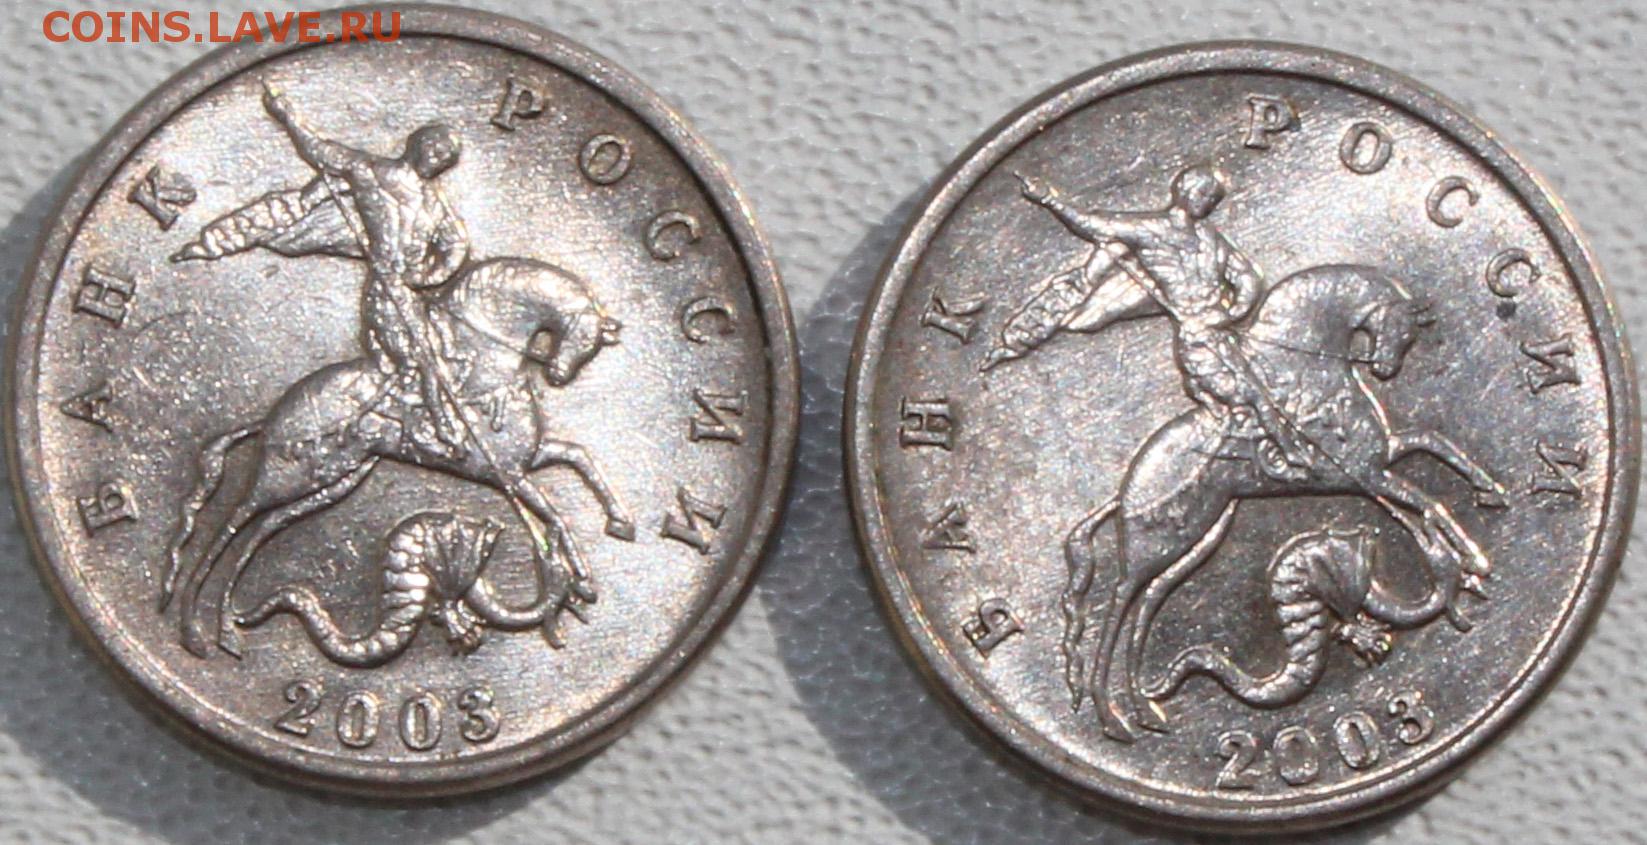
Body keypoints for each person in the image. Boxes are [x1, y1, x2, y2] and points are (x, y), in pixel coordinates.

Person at [1018, 165, 1315, 474]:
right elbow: (1093, 224)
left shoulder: (1208, 237)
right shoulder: (1150, 229)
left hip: (1220, 332)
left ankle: (1271, 443)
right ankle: (1288, 453)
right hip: (1196, 336)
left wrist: (1231, 313)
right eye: (1204, 194)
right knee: (1253, 396)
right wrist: (1049, 200)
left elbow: (1246, 276)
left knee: (1267, 385)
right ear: (1184, 190)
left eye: (1213, 199)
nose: (1208, 203)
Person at [263, 85, 471, 454]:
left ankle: (414, 415)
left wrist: (428, 277)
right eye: (437, 149)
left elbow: (456, 244)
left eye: (447, 158)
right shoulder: (371, 172)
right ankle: (438, 429)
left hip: (409, 291)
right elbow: (320, 151)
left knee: (447, 352)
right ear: (418, 143)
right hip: (384, 290)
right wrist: (287, 116)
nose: (440, 159)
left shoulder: (433, 202)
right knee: (421, 358)